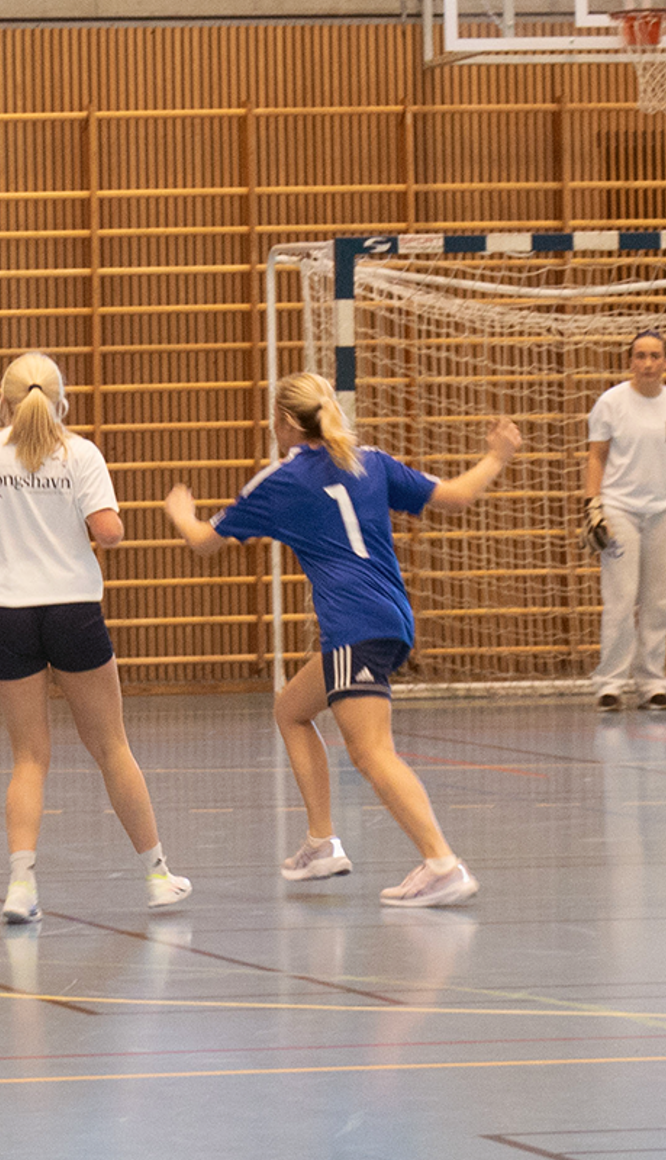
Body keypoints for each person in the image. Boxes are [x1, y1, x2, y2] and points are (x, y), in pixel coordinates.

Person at [161, 374, 522, 905]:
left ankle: (442, 863)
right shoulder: (369, 461)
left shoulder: (280, 482)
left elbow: (203, 542)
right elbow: (458, 497)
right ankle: (321, 842)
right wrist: (497, 456)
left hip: (354, 625)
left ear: (284, 422)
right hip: (388, 618)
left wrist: (179, 512)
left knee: (372, 753)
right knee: (291, 710)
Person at [0, 353, 186, 924]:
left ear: (3, 402)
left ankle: (20, 887)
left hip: (2, 615)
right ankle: (158, 876)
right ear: (61, 402)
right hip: (72, 610)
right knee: (112, 747)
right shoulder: (80, 454)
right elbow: (109, 532)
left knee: (29, 757)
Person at [583, 331, 666, 712]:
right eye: (640, 356)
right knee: (620, 597)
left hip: (663, 511)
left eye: (655, 356)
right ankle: (610, 683)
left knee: (659, 600)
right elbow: (597, 456)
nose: (648, 363)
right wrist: (593, 505)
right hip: (620, 510)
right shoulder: (611, 403)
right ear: (630, 360)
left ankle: (653, 683)